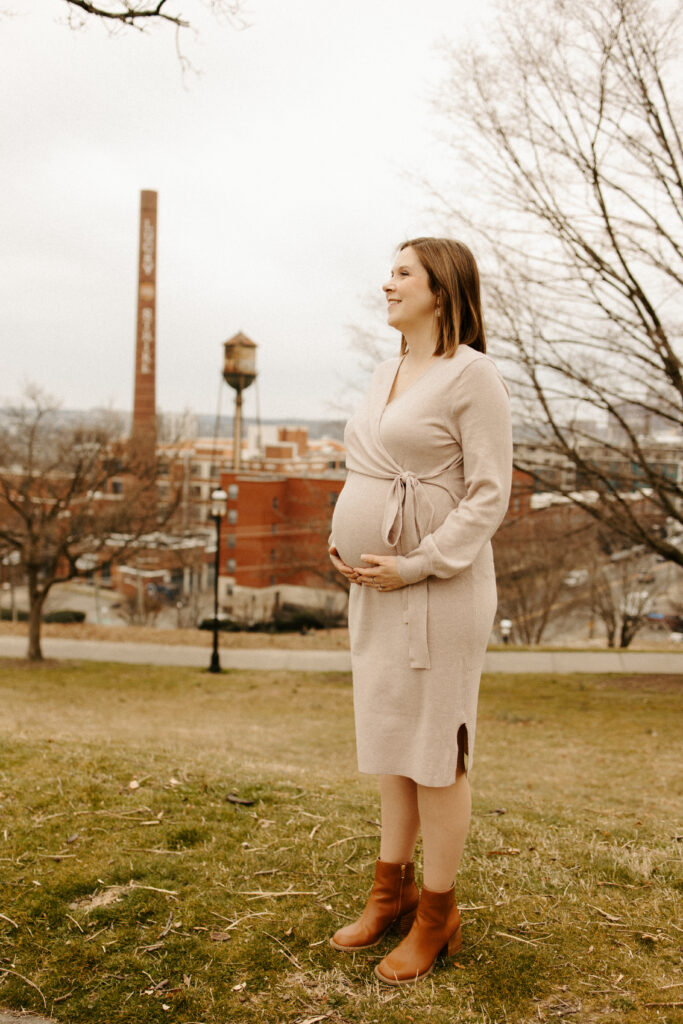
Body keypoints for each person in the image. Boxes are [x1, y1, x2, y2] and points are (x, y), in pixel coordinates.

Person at [327, 237, 512, 986]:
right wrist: (348, 542)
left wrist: (416, 562)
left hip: (439, 587)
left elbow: (488, 494)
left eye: (402, 273)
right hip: (376, 588)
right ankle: (389, 890)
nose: (387, 284)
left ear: (440, 290)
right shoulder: (385, 371)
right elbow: (370, 470)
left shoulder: (474, 375)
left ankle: (438, 912)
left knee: (436, 754)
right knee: (389, 737)